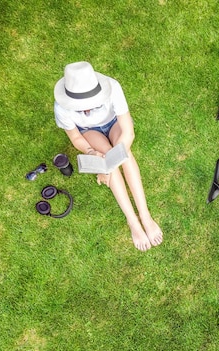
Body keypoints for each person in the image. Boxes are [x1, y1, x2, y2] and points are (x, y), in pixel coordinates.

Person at [53, 61, 162, 251]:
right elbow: (76, 137)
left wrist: (107, 168)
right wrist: (92, 154)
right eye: (80, 107)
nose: (86, 110)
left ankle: (145, 215)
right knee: (104, 155)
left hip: (114, 123)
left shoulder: (114, 88)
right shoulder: (61, 107)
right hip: (88, 131)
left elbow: (128, 133)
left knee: (124, 154)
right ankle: (133, 221)